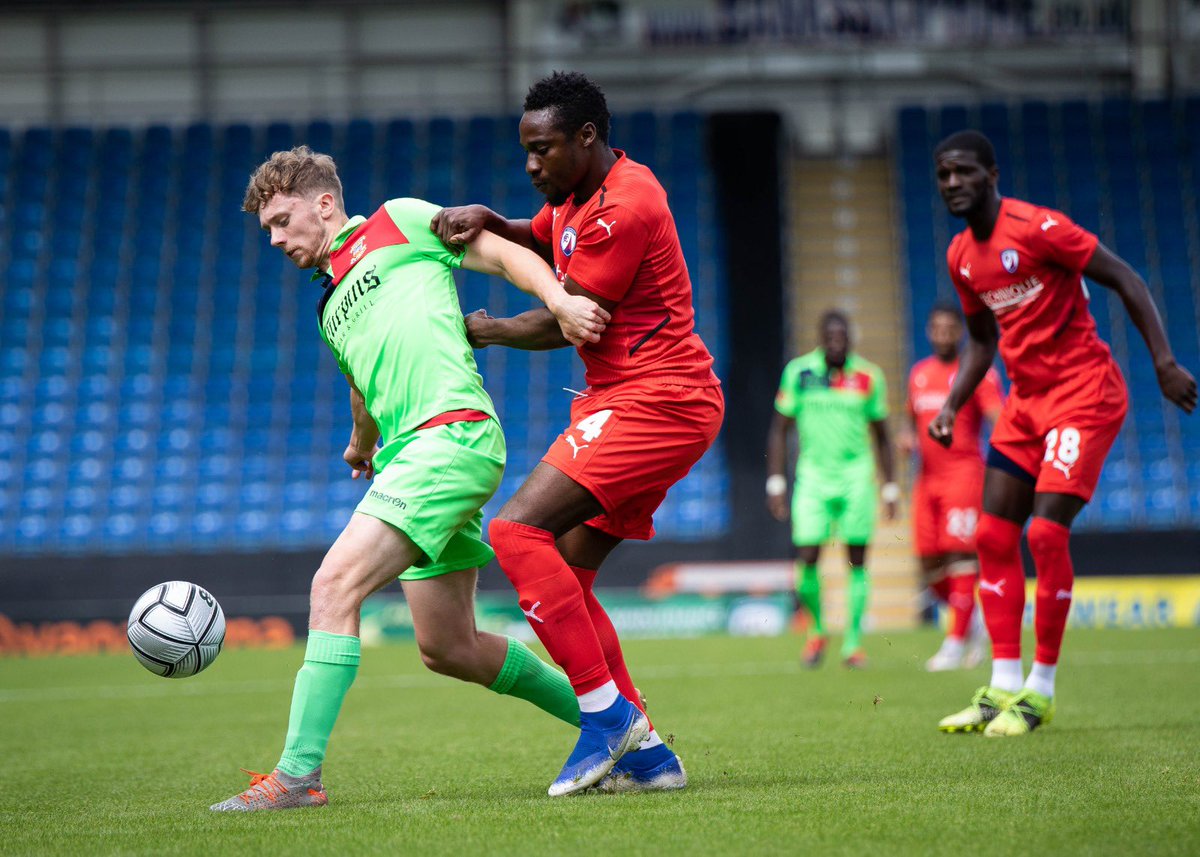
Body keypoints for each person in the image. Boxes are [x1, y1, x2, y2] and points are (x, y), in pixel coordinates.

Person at [210, 145, 611, 811]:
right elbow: (362, 388)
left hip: (449, 437)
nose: (276, 239)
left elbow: (500, 253)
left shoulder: (398, 221)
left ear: (325, 204)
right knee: (448, 645)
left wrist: (560, 301)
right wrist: (358, 443)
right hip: (408, 455)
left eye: (282, 221)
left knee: (332, 585)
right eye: (269, 231)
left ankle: (296, 776)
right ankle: (619, 721)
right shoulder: (329, 304)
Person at [432, 71, 723, 796]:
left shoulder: (625, 205)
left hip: (658, 400)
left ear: (587, 137)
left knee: (515, 533)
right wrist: (492, 219)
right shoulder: (575, 200)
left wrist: (491, 331)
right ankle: (648, 754)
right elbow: (544, 234)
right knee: (567, 567)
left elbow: (575, 314)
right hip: (632, 399)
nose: (532, 165)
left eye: (544, 149)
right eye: (526, 151)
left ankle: (606, 718)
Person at [930, 130, 1196, 736]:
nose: (952, 184)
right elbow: (979, 341)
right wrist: (952, 405)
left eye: (963, 172)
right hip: (1025, 404)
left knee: (1046, 534)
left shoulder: (1041, 228)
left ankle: (1040, 690)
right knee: (995, 536)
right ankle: (1000, 687)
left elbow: (1125, 277)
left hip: (1085, 394)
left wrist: (1162, 361)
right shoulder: (959, 257)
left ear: (992, 174)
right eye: (943, 175)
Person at [766, 309, 897, 669]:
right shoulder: (800, 373)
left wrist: (890, 487)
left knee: (857, 559)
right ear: (821, 339)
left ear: (850, 338)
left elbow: (883, 435)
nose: (837, 341)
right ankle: (817, 632)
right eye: (831, 336)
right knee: (807, 557)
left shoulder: (868, 376)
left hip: (857, 478)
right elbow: (779, 429)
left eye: (843, 336)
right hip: (813, 479)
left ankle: (852, 643)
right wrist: (776, 480)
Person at [901, 302, 1002, 672]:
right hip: (926, 479)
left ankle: (954, 642)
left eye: (950, 329)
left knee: (960, 556)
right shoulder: (919, 374)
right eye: (937, 328)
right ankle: (971, 620)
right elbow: (910, 420)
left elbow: (998, 417)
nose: (943, 335)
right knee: (929, 562)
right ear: (929, 332)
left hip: (963, 475)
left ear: (960, 332)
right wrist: (906, 437)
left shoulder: (977, 372)